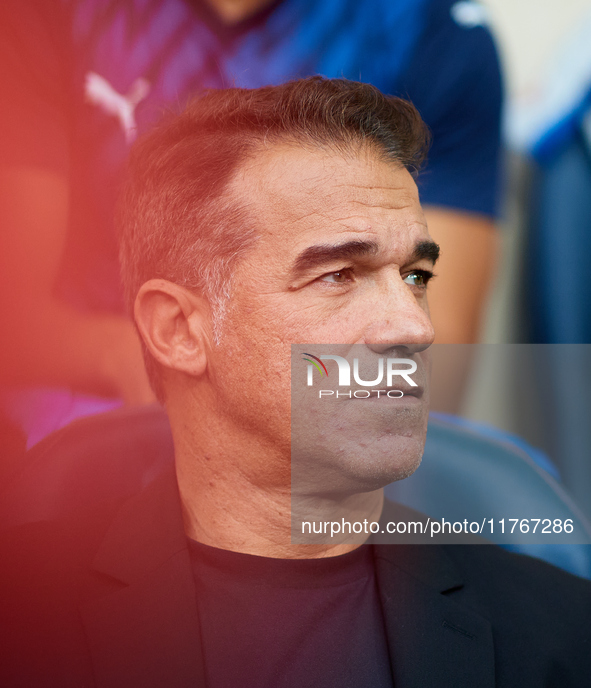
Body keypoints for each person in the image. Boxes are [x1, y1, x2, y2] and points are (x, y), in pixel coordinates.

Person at [2, 79, 589, 688]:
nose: (412, 328)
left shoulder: (561, 635)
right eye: (338, 275)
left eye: (413, 275)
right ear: (179, 328)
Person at [0, 0, 503, 459]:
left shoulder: (430, 31)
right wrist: (121, 357)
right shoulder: (49, 15)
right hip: (92, 397)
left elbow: (432, 344)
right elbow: (16, 315)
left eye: (415, 277)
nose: (414, 324)